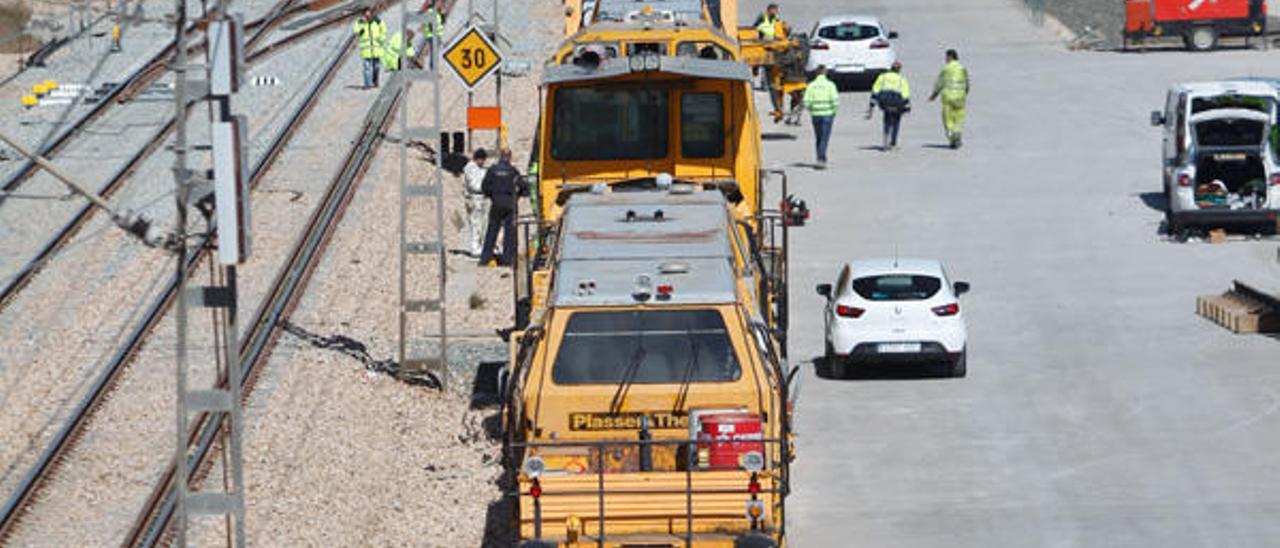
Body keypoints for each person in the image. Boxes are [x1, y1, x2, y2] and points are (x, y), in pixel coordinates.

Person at [479, 149, 525, 267]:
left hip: (496, 203)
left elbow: (484, 187)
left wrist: (493, 195)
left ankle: (485, 258)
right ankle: (508, 259)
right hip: (510, 204)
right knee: (510, 233)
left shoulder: (492, 170)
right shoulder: (513, 171)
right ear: (509, 157)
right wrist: (517, 196)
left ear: (500, 156)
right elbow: (524, 187)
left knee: (492, 231)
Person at [929, 49, 970, 149]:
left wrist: (934, 95)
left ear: (950, 57)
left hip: (948, 97)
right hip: (960, 97)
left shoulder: (946, 69)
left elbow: (940, 83)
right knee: (958, 118)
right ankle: (957, 134)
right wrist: (965, 93)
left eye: (946, 57)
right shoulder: (962, 68)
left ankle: (952, 137)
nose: (945, 59)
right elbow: (967, 83)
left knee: (948, 119)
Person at [868, 61, 911, 151]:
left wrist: (871, 106)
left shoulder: (882, 77)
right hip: (897, 102)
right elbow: (905, 94)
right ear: (899, 70)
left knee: (887, 120)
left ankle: (885, 140)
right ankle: (893, 143)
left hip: (885, 102)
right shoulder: (901, 79)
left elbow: (875, 90)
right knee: (896, 122)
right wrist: (907, 108)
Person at [802, 65, 839, 167]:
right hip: (828, 114)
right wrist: (834, 111)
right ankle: (821, 159)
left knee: (818, 137)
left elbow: (806, 101)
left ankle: (820, 157)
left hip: (816, 115)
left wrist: (811, 110)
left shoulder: (811, 86)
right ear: (825, 73)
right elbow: (835, 100)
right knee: (824, 138)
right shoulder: (830, 85)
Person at [462, 149, 489, 258]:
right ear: (479, 159)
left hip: (481, 198)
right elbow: (474, 185)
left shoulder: (479, 169)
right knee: (475, 223)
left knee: (482, 224)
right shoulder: (470, 168)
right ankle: (474, 247)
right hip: (474, 198)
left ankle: (480, 246)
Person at [353, 8, 386, 88]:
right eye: (365, 15)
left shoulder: (377, 21)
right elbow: (356, 31)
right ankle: (367, 84)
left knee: (376, 66)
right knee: (367, 67)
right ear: (363, 15)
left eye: (368, 14)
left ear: (371, 14)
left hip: (376, 48)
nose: (367, 16)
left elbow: (384, 30)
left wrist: (381, 39)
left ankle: (375, 81)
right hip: (366, 49)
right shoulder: (360, 23)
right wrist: (361, 30)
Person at [421, 1, 444, 70]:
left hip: (434, 36)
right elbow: (431, 25)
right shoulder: (432, 12)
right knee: (434, 54)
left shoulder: (435, 12)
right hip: (433, 36)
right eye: (440, 3)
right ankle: (433, 69)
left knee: (434, 54)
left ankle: (433, 69)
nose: (441, 5)